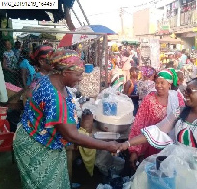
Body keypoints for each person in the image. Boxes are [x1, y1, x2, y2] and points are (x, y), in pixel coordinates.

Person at [13, 49, 120, 189]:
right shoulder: (54, 98)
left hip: (44, 140)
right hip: (35, 144)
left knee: (58, 181)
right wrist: (107, 145)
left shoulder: (50, 80)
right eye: (78, 75)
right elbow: (72, 136)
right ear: (64, 73)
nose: (81, 78)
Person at [127, 68, 185, 170]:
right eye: (157, 83)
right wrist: (135, 151)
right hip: (152, 145)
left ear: (169, 84)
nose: (158, 86)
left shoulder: (177, 98)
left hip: (172, 147)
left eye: (162, 83)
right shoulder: (149, 100)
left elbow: (183, 123)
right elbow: (139, 124)